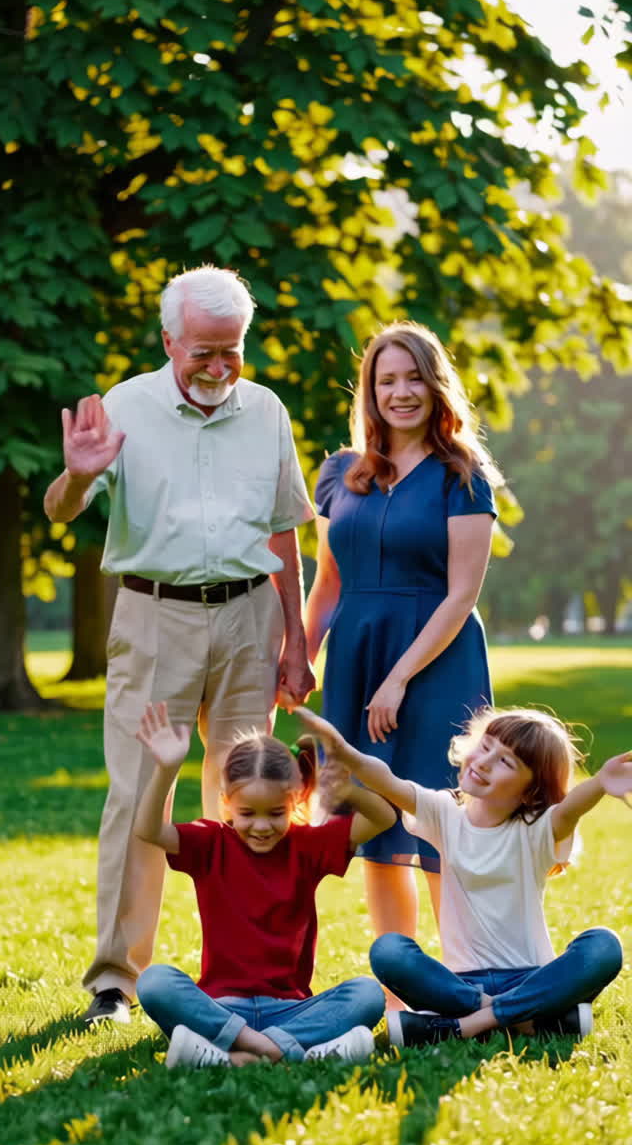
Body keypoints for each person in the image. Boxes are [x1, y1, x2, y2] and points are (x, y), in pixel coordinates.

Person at [43, 266, 316, 1025]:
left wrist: (294, 638)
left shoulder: (266, 412)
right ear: (169, 340)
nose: (220, 366)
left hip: (247, 618)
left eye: (232, 350)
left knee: (246, 798)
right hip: (154, 616)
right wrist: (75, 476)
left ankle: (242, 972)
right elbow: (60, 510)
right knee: (138, 792)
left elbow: (283, 531)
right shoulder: (122, 408)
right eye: (204, 350)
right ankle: (115, 981)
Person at [304, 320, 504, 968]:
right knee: (376, 826)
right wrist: (298, 659)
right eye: (386, 380)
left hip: (437, 661)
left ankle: (466, 976)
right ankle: (401, 987)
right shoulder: (339, 474)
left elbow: (462, 595)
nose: (401, 392)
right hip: (354, 661)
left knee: (443, 824)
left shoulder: (463, 474)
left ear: (435, 383)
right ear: (369, 391)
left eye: (414, 376)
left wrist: (399, 677)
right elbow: (327, 584)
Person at [296, 705, 627, 1047]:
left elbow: (569, 810)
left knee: (603, 946)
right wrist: (345, 752)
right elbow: (389, 782)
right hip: (460, 987)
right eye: (486, 747)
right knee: (389, 951)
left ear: (530, 791)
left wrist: (601, 783)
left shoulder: (536, 831)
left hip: (531, 976)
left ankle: (461, 1026)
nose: (484, 761)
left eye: (505, 762)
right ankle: (528, 1018)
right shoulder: (445, 814)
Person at [132, 701, 393, 1068]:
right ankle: (279, 1051)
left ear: (295, 801)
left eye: (275, 813)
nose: (261, 826)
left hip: (292, 1009)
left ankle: (231, 1057)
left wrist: (349, 792)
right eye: (247, 814)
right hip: (221, 1007)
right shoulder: (211, 843)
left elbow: (383, 817)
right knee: (155, 981)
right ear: (226, 804)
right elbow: (148, 829)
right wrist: (165, 769)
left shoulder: (306, 845)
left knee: (366, 993)